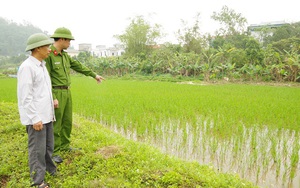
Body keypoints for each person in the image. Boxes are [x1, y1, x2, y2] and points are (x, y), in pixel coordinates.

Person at [45, 27, 104, 163]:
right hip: (56, 92)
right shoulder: (49, 56)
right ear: (61, 39)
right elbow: (46, 78)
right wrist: (53, 96)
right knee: (57, 123)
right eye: (69, 40)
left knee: (67, 121)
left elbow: (78, 66)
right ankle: (55, 151)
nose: (70, 43)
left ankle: (65, 146)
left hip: (67, 91)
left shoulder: (65, 56)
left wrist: (94, 75)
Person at [17, 33, 56, 188]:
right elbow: (25, 96)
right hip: (37, 117)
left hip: (46, 114)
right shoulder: (27, 67)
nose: (49, 49)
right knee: (37, 150)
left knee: (48, 147)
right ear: (38, 48)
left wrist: (52, 101)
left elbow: (41, 90)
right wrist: (34, 118)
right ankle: (38, 181)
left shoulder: (41, 65)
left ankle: (50, 170)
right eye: (47, 46)